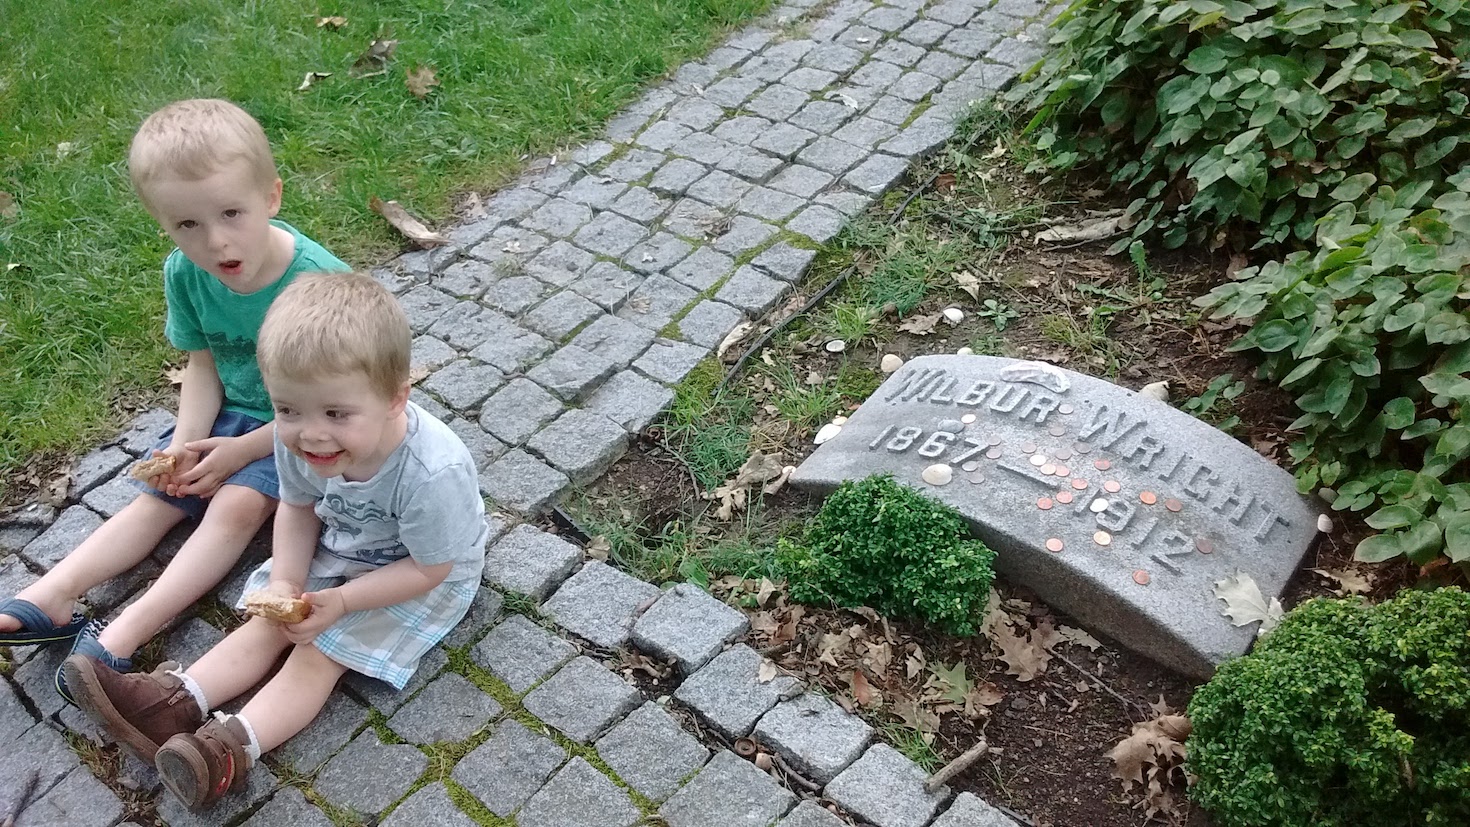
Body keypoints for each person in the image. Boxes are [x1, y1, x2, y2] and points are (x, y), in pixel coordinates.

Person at [64, 271, 490, 811]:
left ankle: (230, 751)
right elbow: (297, 505)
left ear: (395, 398)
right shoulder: (302, 440)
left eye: (336, 413)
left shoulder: (431, 473)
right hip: (348, 543)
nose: (310, 432)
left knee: (320, 650)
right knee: (270, 620)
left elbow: (431, 568)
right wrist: (288, 577)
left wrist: (339, 601)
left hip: (419, 573)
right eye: (287, 410)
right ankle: (172, 702)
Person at [0, 99, 350, 702]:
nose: (215, 241)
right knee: (159, 495)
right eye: (187, 225)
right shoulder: (184, 275)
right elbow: (203, 364)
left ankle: (125, 632)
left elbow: (339, 403)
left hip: (298, 424)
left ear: (272, 196)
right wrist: (188, 443)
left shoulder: (317, 283)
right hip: (229, 416)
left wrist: (238, 453)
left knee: (235, 506)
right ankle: (52, 595)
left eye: (231, 213)